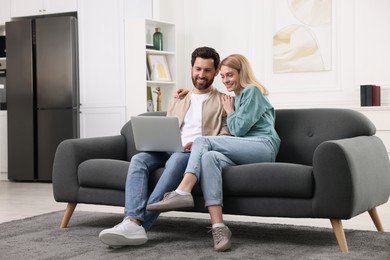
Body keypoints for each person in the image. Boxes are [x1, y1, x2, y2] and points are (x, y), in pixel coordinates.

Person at [147, 54, 281, 252]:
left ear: (241, 73)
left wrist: (230, 110)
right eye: (223, 76)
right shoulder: (236, 97)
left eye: (230, 75)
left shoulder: (252, 92)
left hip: (262, 146)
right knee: (209, 158)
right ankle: (219, 227)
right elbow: (236, 133)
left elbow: (239, 130)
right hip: (244, 148)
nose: (226, 80)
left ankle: (183, 190)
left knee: (202, 141)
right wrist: (189, 93)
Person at [98, 47, 230, 247]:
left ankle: (137, 224)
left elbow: (226, 136)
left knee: (177, 158)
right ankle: (131, 220)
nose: (201, 75)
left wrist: (199, 143)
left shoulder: (224, 101)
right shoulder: (178, 98)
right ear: (191, 67)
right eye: (197, 69)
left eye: (207, 70)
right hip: (168, 148)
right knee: (138, 159)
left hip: (192, 154)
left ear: (216, 71)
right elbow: (168, 127)